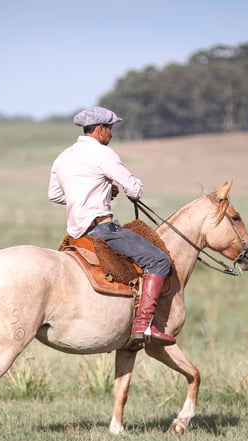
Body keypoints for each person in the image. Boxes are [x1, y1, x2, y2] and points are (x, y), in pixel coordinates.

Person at [49, 106, 176, 346]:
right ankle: (144, 325)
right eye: (110, 129)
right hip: (104, 230)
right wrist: (124, 189)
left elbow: (55, 195)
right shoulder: (103, 154)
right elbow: (134, 189)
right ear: (99, 130)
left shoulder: (63, 156)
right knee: (159, 261)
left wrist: (99, 191)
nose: (111, 134)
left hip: (76, 232)